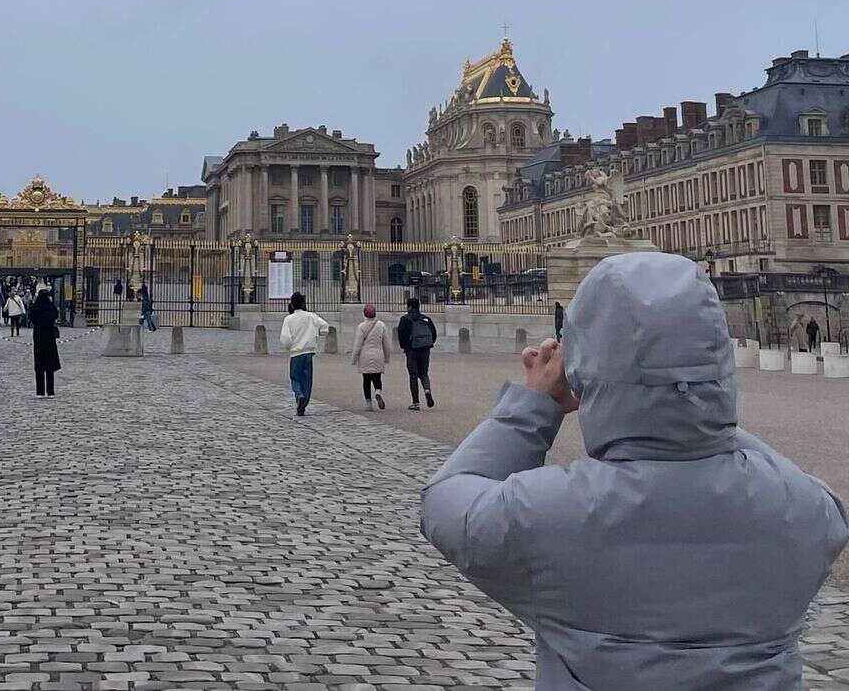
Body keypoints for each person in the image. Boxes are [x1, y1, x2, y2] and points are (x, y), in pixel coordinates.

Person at [421, 252, 849, 688]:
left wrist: (534, 409)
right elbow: (801, 488)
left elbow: (445, 498)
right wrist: (697, 410)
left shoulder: (544, 512)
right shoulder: (808, 509)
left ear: (585, 367)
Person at [279, 292, 329, 416]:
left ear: (292, 304)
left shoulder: (289, 319)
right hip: (309, 352)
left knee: (295, 377)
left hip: (296, 353)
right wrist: (317, 334)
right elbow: (325, 326)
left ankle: (299, 395)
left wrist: (289, 347)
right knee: (307, 380)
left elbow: (285, 338)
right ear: (303, 303)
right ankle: (304, 402)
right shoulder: (311, 316)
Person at [397, 297, 437, 410]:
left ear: (409, 306)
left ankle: (416, 402)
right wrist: (427, 344)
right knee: (424, 373)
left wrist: (405, 347)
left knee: (413, 375)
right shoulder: (426, 319)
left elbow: (401, 335)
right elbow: (433, 334)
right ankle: (427, 391)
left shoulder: (405, 319)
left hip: (412, 350)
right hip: (425, 349)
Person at [350, 303, 391, 410]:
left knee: (366, 380)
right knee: (377, 378)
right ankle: (378, 392)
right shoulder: (381, 325)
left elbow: (357, 345)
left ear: (364, 314)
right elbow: (386, 343)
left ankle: (369, 404)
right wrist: (387, 357)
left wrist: (354, 359)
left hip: (365, 355)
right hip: (378, 354)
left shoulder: (361, 326)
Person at [28, 288, 60, 398]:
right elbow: (55, 315)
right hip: (49, 337)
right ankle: (50, 391)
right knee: (49, 366)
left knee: (39, 365)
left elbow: (31, 317)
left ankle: (40, 391)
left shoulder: (36, 307)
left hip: (38, 336)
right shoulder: (50, 307)